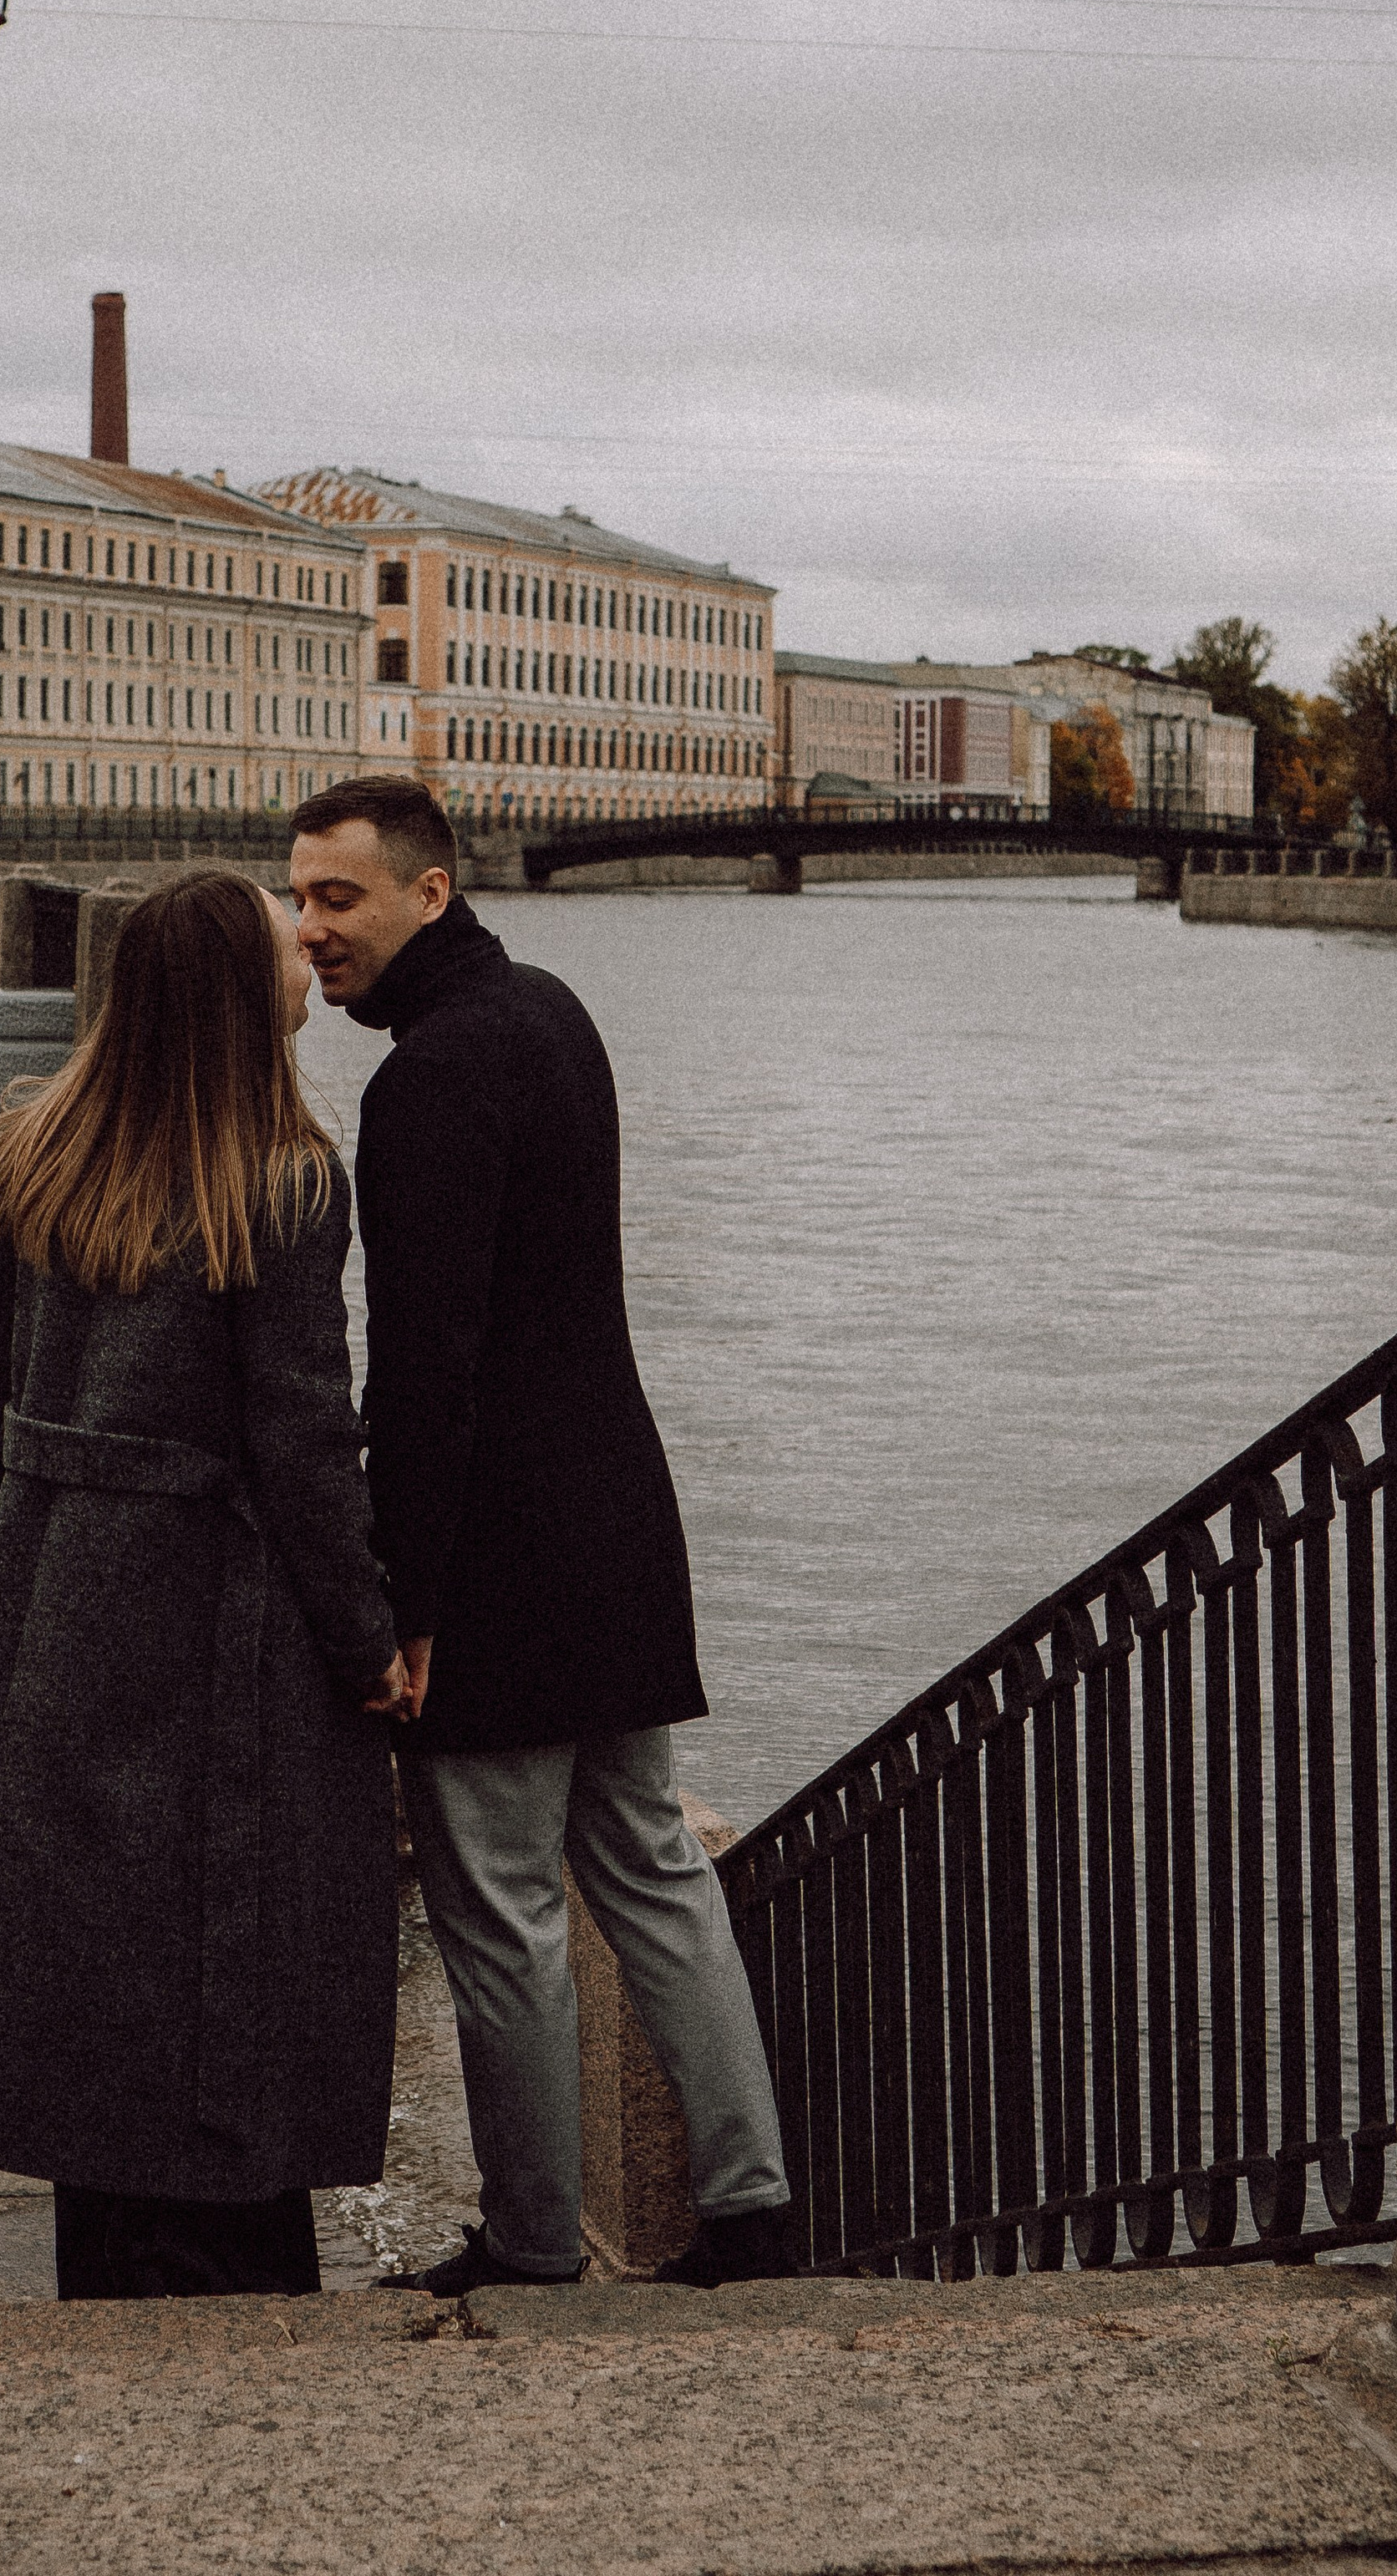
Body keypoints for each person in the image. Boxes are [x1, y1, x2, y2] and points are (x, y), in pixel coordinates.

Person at [0, 869, 409, 2299]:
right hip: (219, 1613)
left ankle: (107, 2267)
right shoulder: (281, 1179)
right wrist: (367, 1643)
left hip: (54, 1588)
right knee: (229, 1948)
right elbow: (302, 1442)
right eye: (283, 947)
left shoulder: (37, 1144)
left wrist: (20, 1567)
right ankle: (239, 2284)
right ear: (233, 991)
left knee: (83, 1945)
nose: (304, 962)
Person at [287, 777, 791, 2293]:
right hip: (618, 1516)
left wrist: (403, 1598)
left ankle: (527, 2243)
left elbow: (427, 1364)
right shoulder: (554, 1012)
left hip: (497, 1550)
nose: (313, 933)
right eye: (301, 899)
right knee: (649, 1868)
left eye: (341, 900)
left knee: (498, 1910)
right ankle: (755, 2205)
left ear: (430, 894)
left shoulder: (430, 1078)